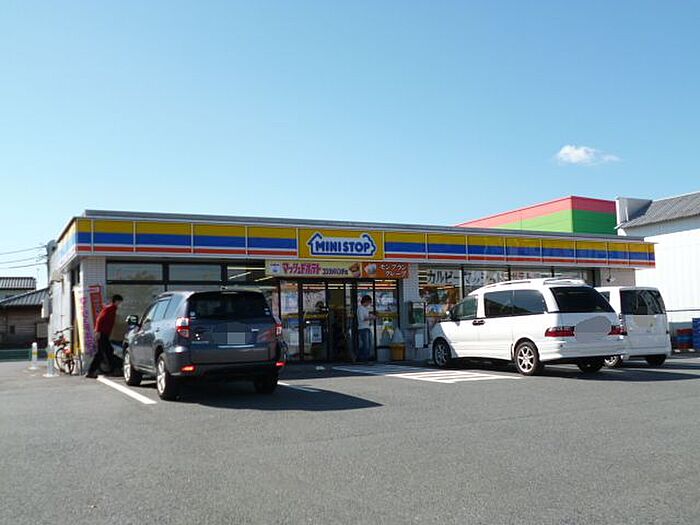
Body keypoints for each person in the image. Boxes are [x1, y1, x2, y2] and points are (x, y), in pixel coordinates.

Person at [86, 294, 123, 378]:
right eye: (120, 302)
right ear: (116, 301)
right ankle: (91, 371)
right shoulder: (110, 309)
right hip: (102, 334)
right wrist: (98, 331)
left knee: (108, 351)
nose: (121, 304)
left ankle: (113, 370)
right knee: (101, 353)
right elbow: (100, 319)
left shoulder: (112, 309)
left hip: (104, 334)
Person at [357, 295, 375, 362]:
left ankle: (364, 357)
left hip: (367, 327)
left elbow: (366, 317)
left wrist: (370, 316)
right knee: (366, 344)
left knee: (368, 344)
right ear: (366, 301)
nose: (369, 304)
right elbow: (362, 318)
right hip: (363, 328)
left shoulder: (365, 309)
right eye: (369, 302)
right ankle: (363, 358)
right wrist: (371, 317)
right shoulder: (360, 308)